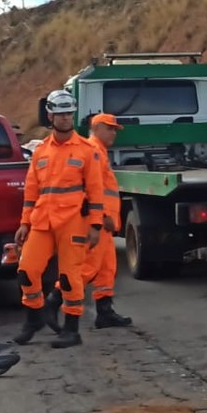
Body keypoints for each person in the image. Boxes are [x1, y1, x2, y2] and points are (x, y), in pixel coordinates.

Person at [12, 90, 106, 348]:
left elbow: (96, 191)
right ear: (50, 115)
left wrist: (96, 225)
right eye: (60, 114)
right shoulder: (41, 151)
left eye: (69, 113)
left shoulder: (87, 150)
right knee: (27, 271)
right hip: (42, 220)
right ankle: (34, 318)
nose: (65, 118)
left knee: (69, 277)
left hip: (74, 221)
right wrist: (24, 222)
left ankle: (72, 329)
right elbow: (31, 191)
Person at [83, 113, 132, 328]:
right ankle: (52, 301)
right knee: (88, 268)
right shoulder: (93, 151)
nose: (114, 133)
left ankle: (105, 312)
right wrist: (102, 216)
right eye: (110, 128)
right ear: (97, 128)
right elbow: (89, 190)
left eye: (115, 129)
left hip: (105, 223)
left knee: (106, 269)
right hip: (99, 222)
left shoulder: (99, 152)